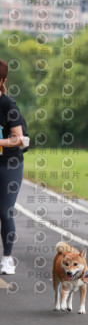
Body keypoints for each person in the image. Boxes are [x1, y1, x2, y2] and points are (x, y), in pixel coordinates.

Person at [0, 60, 25, 275]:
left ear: (2, 81)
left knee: (4, 211)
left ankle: (7, 259)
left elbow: (19, 139)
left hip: (10, 163)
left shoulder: (8, 106)